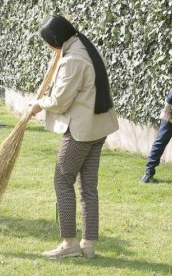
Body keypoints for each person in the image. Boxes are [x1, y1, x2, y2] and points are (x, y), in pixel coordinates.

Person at [30, 15, 119, 259]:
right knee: (88, 187)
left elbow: (59, 101)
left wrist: (38, 104)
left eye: (48, 42)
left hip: (81, 131)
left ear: (57, 39)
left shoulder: (73, 59)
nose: (48, 47)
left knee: (62, 180)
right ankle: (88, 245)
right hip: (97, 128)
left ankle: (69, 244)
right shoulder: (86, 47)